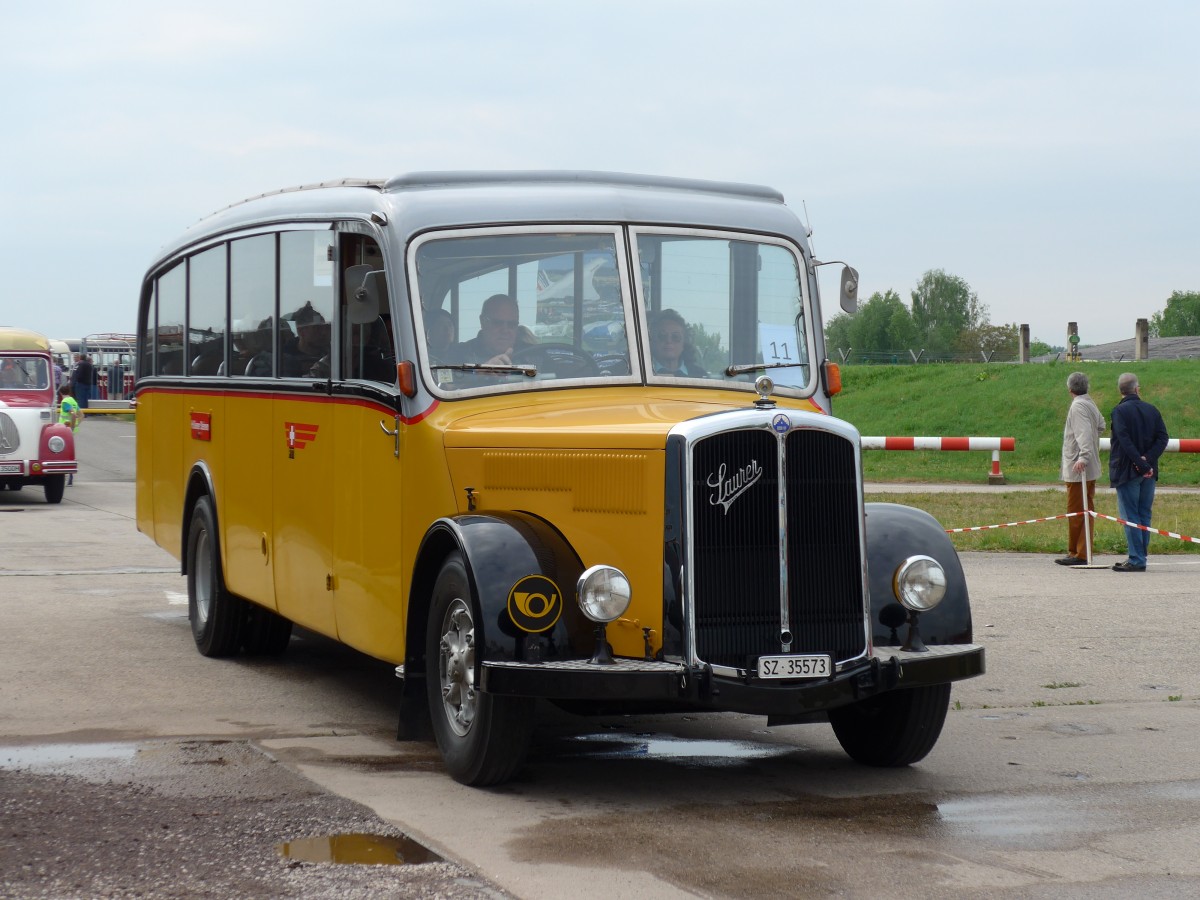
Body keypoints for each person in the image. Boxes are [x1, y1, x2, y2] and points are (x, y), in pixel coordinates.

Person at [1108, 372, 1169, 572]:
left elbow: (1124, 440)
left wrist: (1139, 462)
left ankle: (1136, 559)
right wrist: (1147, 460)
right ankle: (1141, 555)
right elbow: (1163, 438)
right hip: (1149, 471)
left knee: (1130, 516)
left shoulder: (1119, 411)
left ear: (1120, 390)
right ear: (1136, 389)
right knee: (1144, 514)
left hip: (1127, 471)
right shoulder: (1152, 410)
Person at [1056, 372, 1106, 566]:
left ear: (1070, 389)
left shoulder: (1077, 406)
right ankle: (1079, 550)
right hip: (1088, 467)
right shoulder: (1090, 403)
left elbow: (1083, 433)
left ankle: (1079, 553)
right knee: (1084, 508)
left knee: (1077, 511)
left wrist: (1083, 456)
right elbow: (1101, 425)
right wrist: (1092, 443)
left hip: (1079, 469)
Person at [452, 294, 521, 366]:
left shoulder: (528, 354)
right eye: (497, 323)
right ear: (482, 322)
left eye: (512, 324)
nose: (505, 330)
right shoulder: (458, 355)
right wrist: (484, 370)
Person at [650, 308, 706, 377]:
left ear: (684, 342)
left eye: (675, 337)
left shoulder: (700, 375)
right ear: (653, 340)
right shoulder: (644, 372)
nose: (669, 341)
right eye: (662, 336)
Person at [58, 385, 81, 485]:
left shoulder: (65, 402)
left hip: (65, 430)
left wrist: (71, 426)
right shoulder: (73, 401)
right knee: (69, 452)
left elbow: (73, 414)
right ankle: (69, 476)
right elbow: (81, 415)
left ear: (60, 393)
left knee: (61, 453)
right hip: (71, 431)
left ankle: (66, 475)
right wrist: (76, 425)